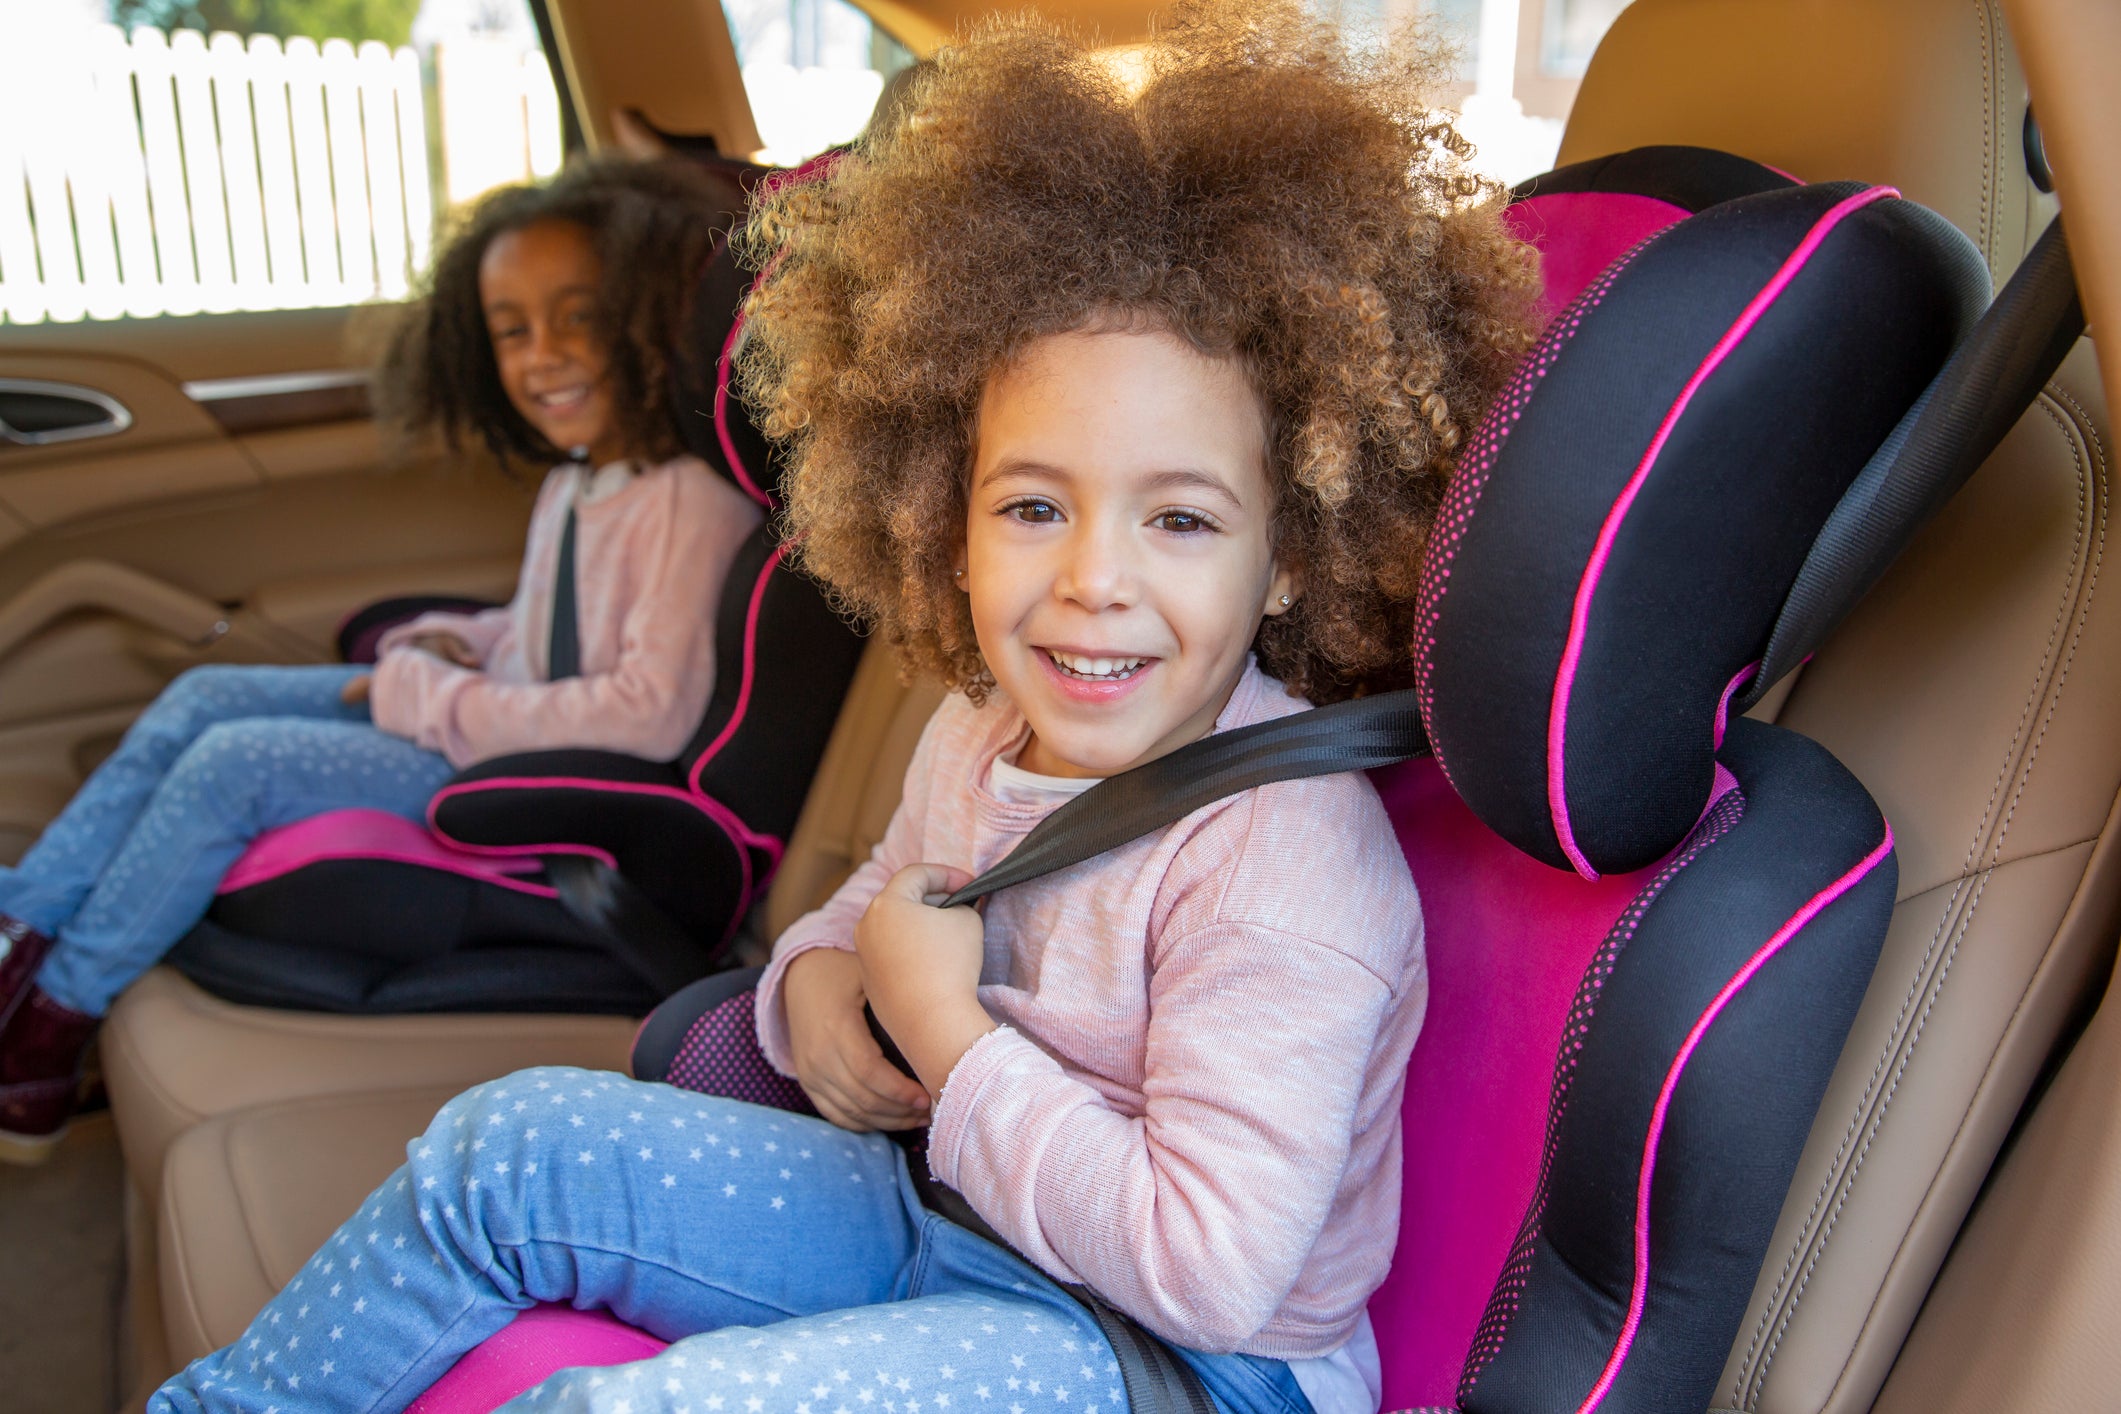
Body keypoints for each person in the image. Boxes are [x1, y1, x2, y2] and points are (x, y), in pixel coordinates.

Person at [148, 4, 1538, 1410]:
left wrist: (946, 1035)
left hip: (1169, 1360)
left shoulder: (1283, 858)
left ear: (1291, 546)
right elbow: (878, 900)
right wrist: (814, 984)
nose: (1092, 581)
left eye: (1179, 519)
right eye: (1033, 506)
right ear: (944, 510)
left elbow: (1212, 1269)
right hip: (943, 1212)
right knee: (499, 1148)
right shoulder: (979, 725)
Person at [0, 158, 764, 1161]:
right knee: (206, 694)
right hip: (495, 724)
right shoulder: (582, 480)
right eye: (511, 331)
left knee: (236, 764)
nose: (542, 357)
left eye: (577, 317)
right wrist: (448, 646)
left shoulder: (689, 500)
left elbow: (645, 713)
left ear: (653, 317)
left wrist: (422, 692)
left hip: (544, 788)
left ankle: (50, 1024)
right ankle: (22, 930)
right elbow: (538, 633)